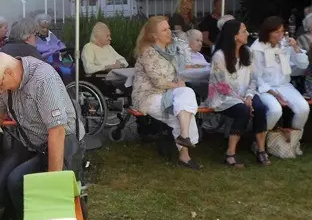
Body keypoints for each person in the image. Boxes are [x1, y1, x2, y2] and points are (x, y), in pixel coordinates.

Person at [0, 52, 85, 220]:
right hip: (32, 140)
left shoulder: (43, 79)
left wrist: (53, 180)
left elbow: (57, 131)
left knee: (18, 181)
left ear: (8, 72)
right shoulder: (4, 79)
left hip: (61, 140)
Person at [132, 16, 200, 169]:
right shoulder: (148, 52)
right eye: (164, 30)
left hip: (168, 92)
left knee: (187, 94)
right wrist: (177, 84)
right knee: (181, 113)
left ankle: (183, 136)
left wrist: (178, 84)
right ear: (154, 36)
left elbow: (178, 73)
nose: (169, 31)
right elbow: (158, 81)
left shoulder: (169, 50)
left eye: (169, 28)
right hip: (149, 95)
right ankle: (185, 155)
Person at [207, 20, 270, 167]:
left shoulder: (248, 52)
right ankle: (230, 153)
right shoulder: (220, 56)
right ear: (234, 36)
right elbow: (221, 86)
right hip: (223, 97)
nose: (247, 33)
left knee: (260, 108)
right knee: (243, 110)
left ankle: (261, 150)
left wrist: (248, 97)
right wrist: (243, 100)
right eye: (244, 31)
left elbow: (254, 80)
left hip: (245, 95)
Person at [251, 16, 310, 137]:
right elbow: (256, 77)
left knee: (303, 109)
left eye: (282, 31)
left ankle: (292, 141)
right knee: (275, 110)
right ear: (268, 32)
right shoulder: (257, 48)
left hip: (284, 85)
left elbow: (303, 64)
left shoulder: (285, 44)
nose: (280, 35)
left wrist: (295, 47)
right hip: (264, 88)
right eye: (277, 32)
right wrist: (274, 94)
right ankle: (261, 140)